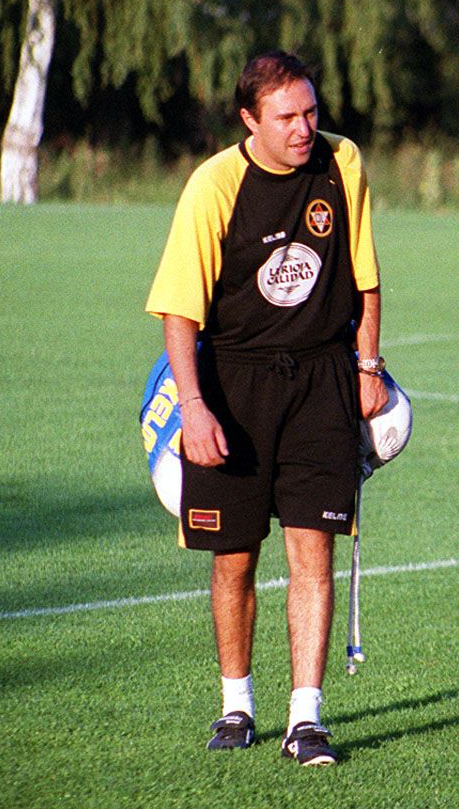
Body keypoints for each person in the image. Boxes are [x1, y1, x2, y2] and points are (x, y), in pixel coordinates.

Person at [145, 50, 388, 767]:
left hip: (321, 380)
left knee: (312, 545)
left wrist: (366, 366)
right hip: (233, 384)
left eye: (311, 111)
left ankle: (306, 719)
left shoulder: (342, 164)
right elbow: (180, 315)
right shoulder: (214, 184)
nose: (304, 127)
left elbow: (366, 279)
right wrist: (193, 407)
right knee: (234, 557)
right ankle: (236, 705)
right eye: (286, 116)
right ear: (250, 119)